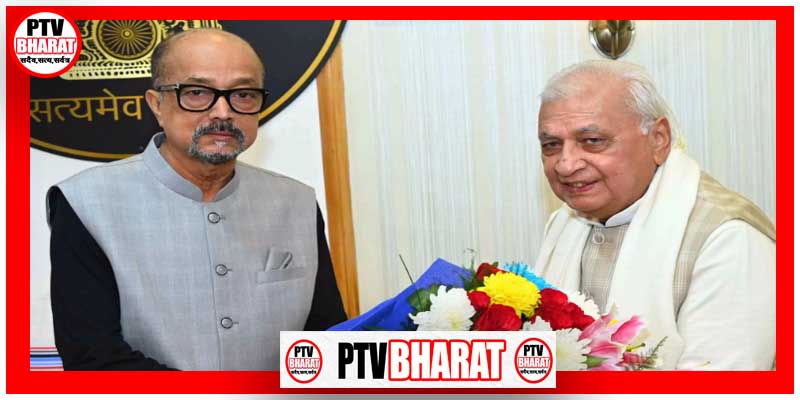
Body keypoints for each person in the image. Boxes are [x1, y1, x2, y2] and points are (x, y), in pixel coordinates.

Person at [47, 29, 347, 370]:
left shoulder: (296, 202)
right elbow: (93, 359)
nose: (222, 112)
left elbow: (327, 337)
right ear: (157, 104)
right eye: (196, 93)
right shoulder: (86, 202)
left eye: (243, 94)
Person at [532, 60, 775, 370]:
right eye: (551, 145)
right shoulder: (564, 222)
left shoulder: (727, 237)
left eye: (592, 141)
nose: (566, 164)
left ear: (658, 139)